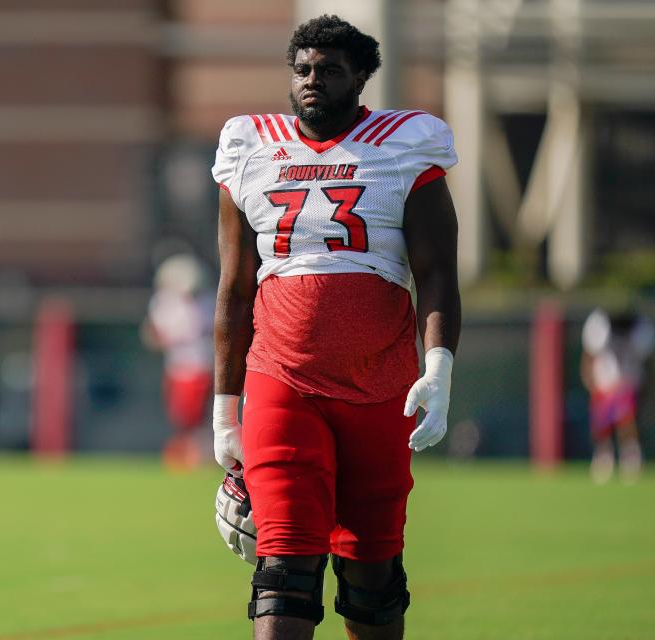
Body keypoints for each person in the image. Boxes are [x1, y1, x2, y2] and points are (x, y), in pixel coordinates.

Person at [210, 15, 461, 640]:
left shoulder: (405, 142)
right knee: (285, 568)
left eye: (329, 71)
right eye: (302, 70)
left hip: (382, 383)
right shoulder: (251, 146)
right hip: (282, 378)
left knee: (373, 576)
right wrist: (224, 408)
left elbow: (436, 272)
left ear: (361, 79)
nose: (312, 82)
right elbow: (237, 289)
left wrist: (439, 366)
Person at [142, 253, 216, 469]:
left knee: (197, 418)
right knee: (181, 417)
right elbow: (154, 334)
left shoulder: (206, 302)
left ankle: (198, 454)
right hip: (177, 367)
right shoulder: (164, 302)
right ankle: (187, 453)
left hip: (200, 366)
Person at [581, 308, 653, 484]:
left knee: (627, 422)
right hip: (605, 383)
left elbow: (646, 362)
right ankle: (603, 456)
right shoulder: (598, 326)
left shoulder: (640, 329)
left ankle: (630, 456)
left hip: (628, 383)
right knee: (601, 425)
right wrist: (590, 381)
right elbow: (589, 357)